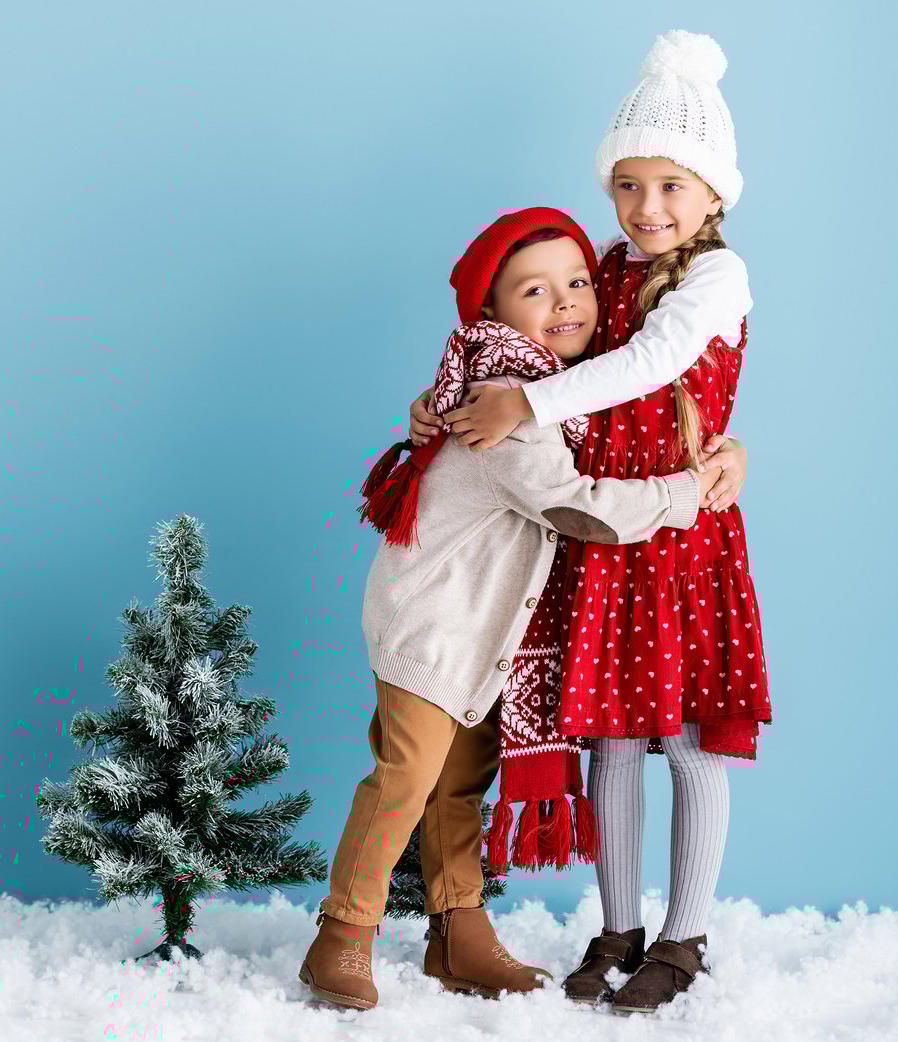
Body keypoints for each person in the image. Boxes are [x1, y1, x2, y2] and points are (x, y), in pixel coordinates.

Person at [409, 30, 765, 1015]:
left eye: (671, 186)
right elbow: (530, 342)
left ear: (713, 192)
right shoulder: (603, 267)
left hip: (680, 535)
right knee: (609, 738)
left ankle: (684, 934)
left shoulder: (717, 280)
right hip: (606, 538)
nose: (648, 207)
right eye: (627, 185)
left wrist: (526, 405)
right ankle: (617, 927)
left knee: (688, 743)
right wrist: (449, 398)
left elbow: (653, 362)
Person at [298, 206, 722, 1012]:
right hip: (435, 628)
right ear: (490, 312)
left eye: (577, 283)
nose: (565, 302)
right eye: (535, 291)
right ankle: (342, 934)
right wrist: (684, 492)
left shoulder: (545, 387)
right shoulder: (505, 403)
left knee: (460, 784)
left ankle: (458, 936)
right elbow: (577, 507)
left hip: (484, 633)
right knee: (406, 780)